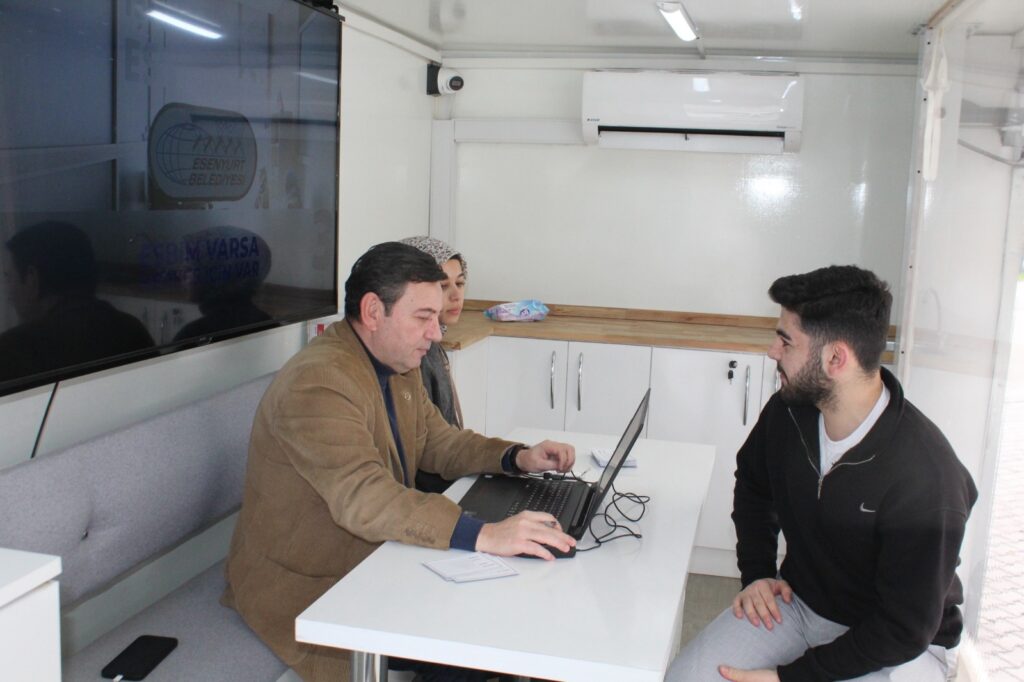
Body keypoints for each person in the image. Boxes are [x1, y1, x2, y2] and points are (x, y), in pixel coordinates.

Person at [222, 241, 577, 682]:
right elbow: (363, 496)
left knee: (499, 617)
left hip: (374, 558)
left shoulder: (396, 365)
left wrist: (516, 456)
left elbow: (438, 442)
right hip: (309, 585)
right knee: (472, 642)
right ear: (373, 311)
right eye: (423, 317)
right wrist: (484, 534)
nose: (436, 334)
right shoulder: (318, 382)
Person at [665, 265, 977, 682]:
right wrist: (758, 573)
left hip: (897, 646)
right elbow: (754, 483)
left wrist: (789, 677)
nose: (772, 351)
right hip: (800, 605)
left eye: (786, 340)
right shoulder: (790, 411)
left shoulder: (927, 476)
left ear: (835, 358)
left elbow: (904, 630)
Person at [0, 220, 155, 383]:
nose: (9, 294)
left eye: (9, 277)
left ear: (32, 279)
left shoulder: (14, 350)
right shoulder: (133, 330)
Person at [400, 236, 468, 494]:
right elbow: (428, 451)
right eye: (442, 285)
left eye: (459, 283)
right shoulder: (410, 356)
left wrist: (514, 457)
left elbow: (447, 435)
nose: (455, 296)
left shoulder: (433, 346)